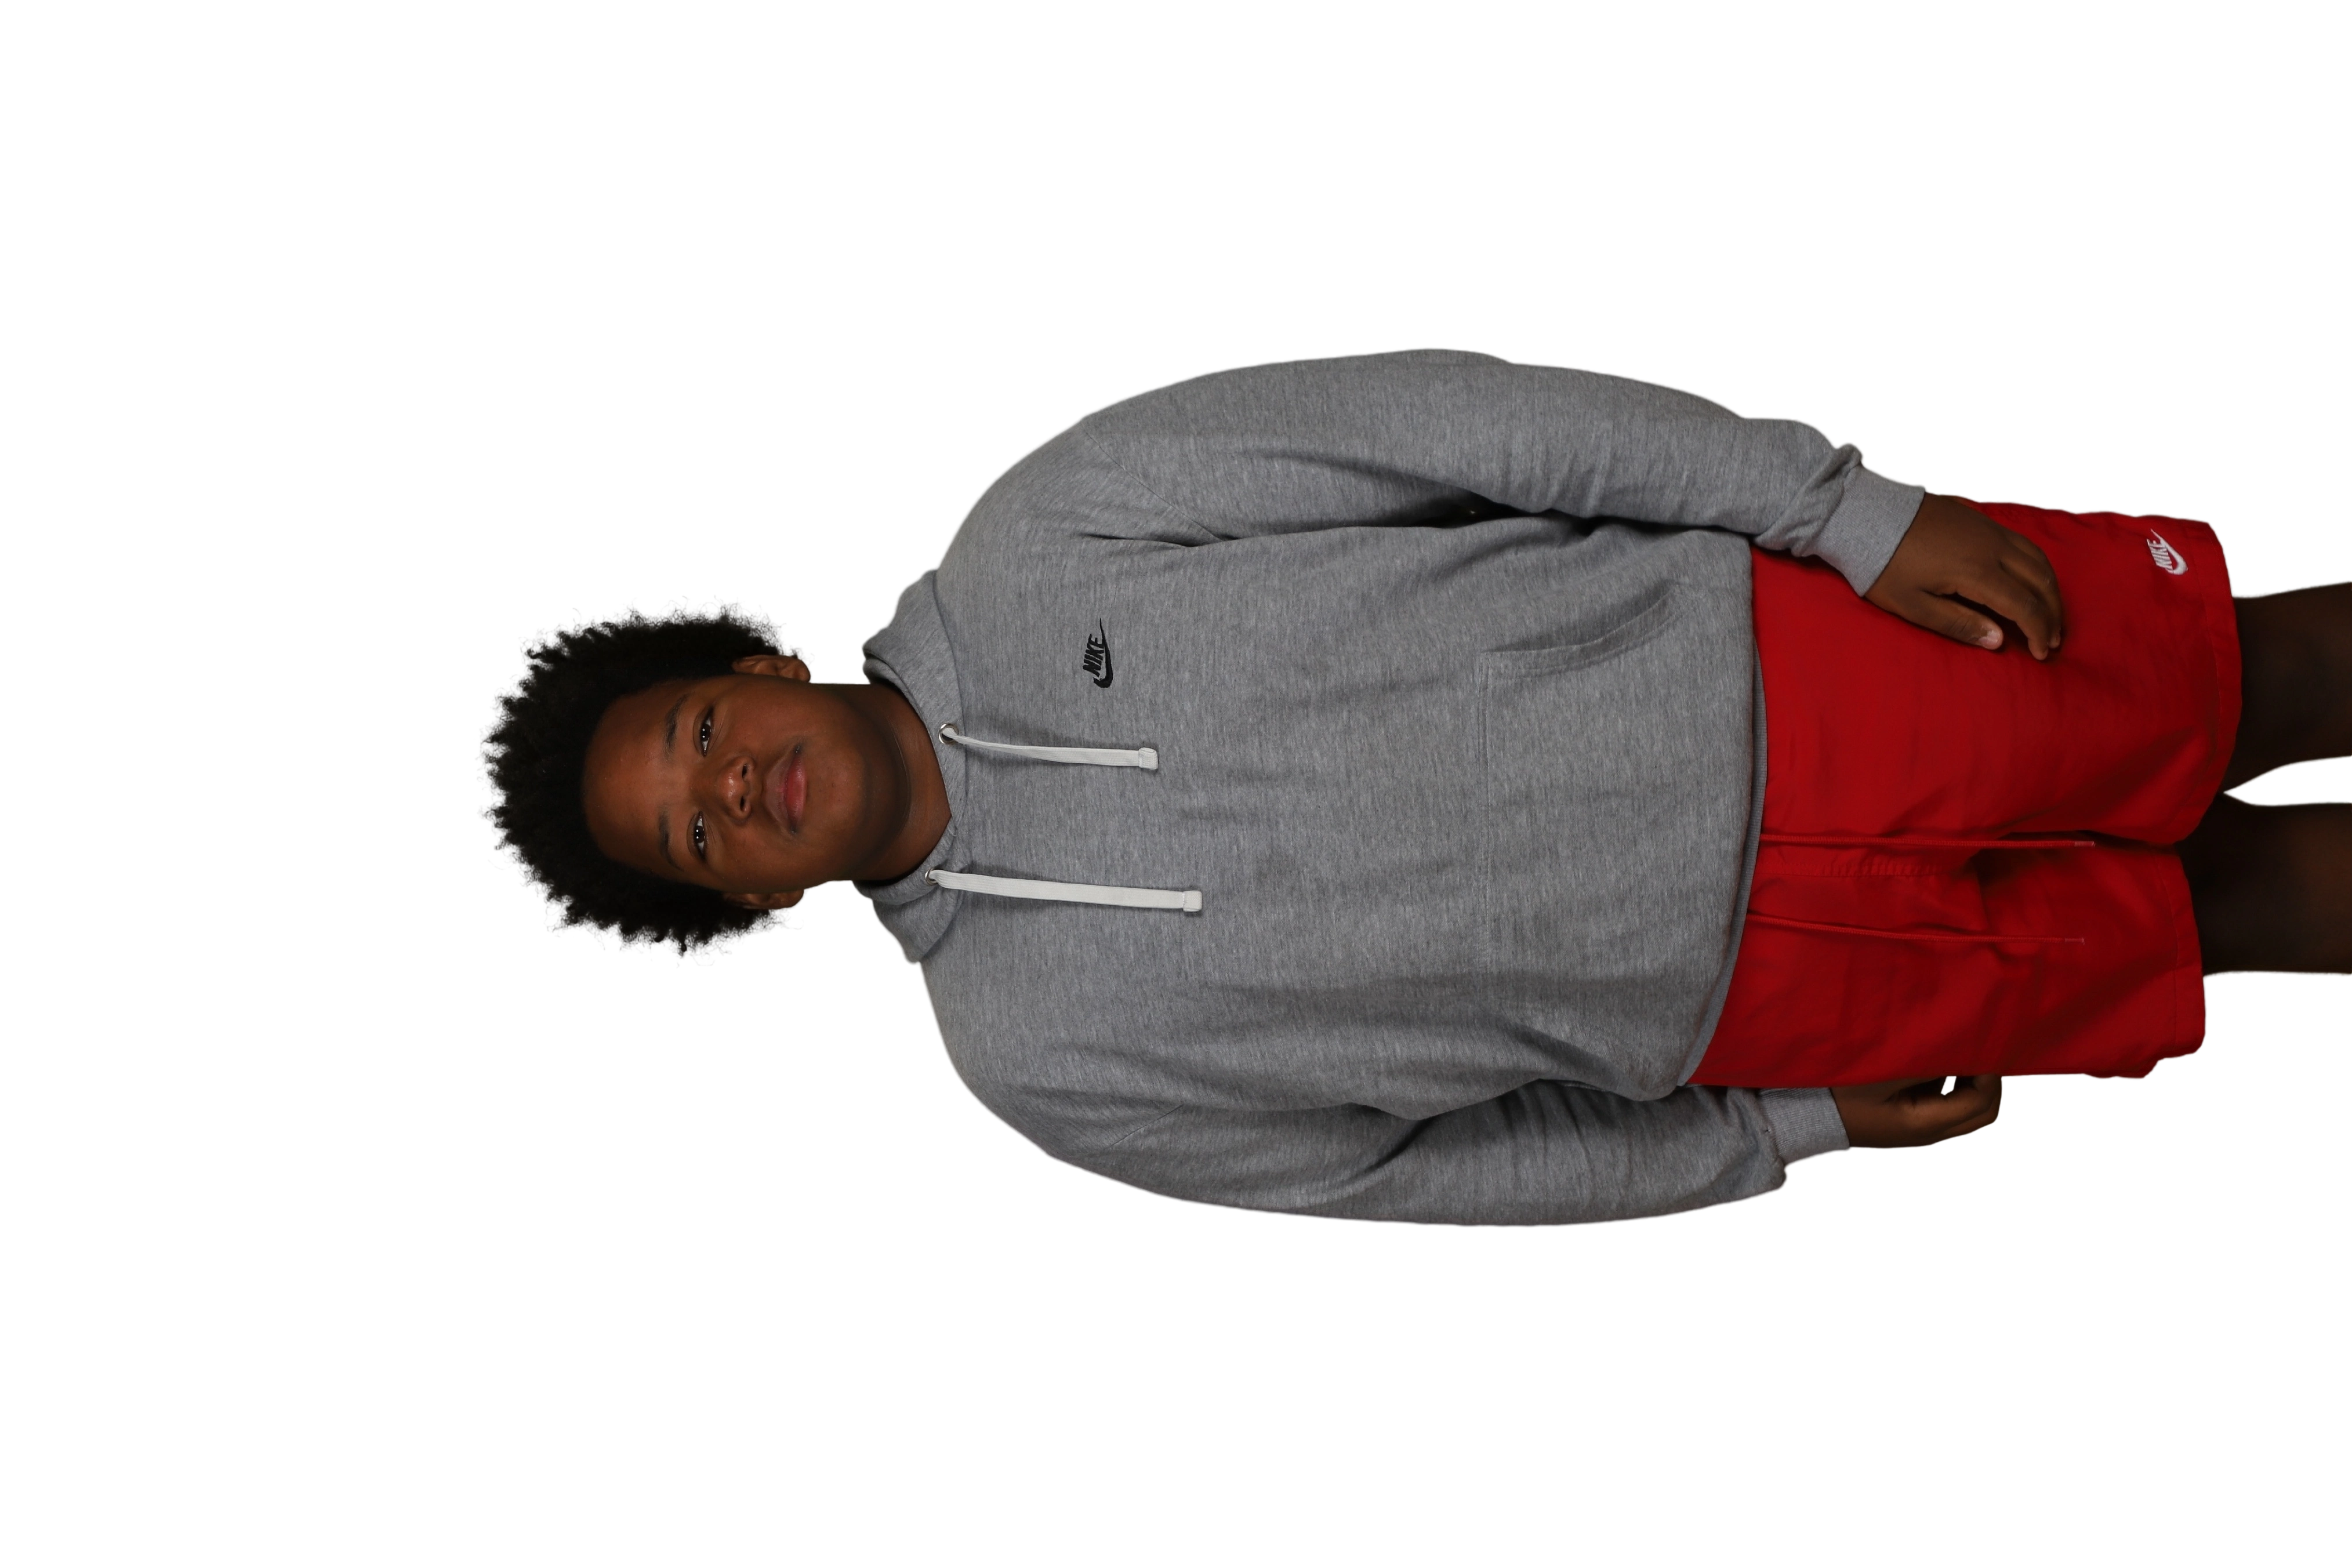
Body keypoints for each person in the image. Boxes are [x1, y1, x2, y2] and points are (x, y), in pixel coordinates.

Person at [474, 346, 2351, 1227]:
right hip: (1759, 994)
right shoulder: (1035, 1061)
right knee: (2244, 922)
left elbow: (1471, 427)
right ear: (747, 902)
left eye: (699, 735)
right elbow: (1416, 1175)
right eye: (698, 836)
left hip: (1790, 667)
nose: (736, 788)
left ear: (748, 664)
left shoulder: (1053, 521)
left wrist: (1838, 510)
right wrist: (1779, 1131)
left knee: (2273, 677)